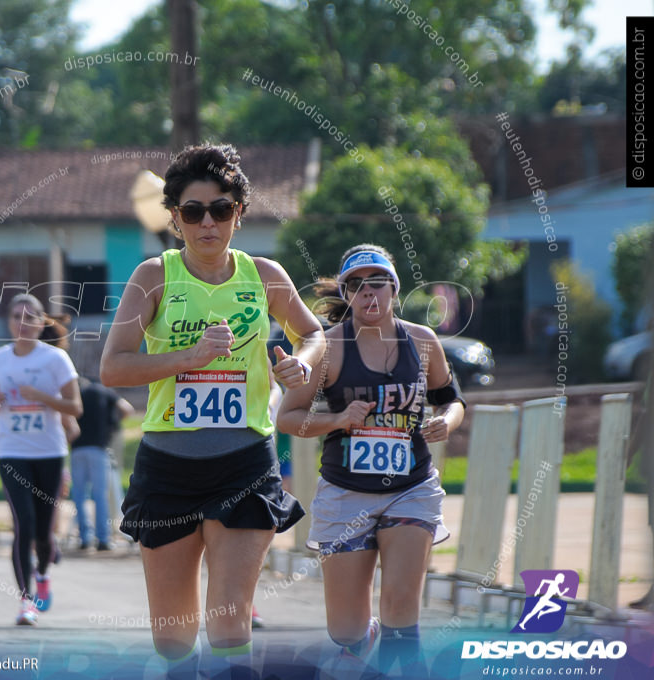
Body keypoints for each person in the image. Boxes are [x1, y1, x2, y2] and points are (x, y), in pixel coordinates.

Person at [100, 143, 325, 680]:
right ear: (174, 218)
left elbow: (313, 332)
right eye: (194, 211)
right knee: (175, 639)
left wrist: (300, 362)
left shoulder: (265, 274)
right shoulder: (153, 277)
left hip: (244, 462)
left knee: (229, 627)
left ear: (239, 215)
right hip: (169, 467)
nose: (208, 222)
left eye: (221, 209)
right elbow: (113, 369)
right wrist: (190, 357)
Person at [277, 244, 466, 677]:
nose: (369, 294)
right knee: (346, 632)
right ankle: (364, 641)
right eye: (357, 286)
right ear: (346, 294)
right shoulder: (328, 347)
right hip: (345, 493)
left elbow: (452, 401)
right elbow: (288, 419)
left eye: (377, 284)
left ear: (393, 289)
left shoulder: (422, 341)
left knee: (402, 607)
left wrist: (446, 423)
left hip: (411, 488)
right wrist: (340, 418)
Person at [0, 293, 83, 626]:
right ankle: (26, 601)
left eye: (30, 317)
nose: (22, 324)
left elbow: (75, 408)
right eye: (16, 317)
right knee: (22, 523)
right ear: (7, 322)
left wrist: (40, 396)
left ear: (41, 323)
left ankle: (42, 575)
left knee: (43, 531)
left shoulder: (55, 360)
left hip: (49, 452)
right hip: (12, 452)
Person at [71, 376, 134, 551]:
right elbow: (127, 409)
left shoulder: (75, 394)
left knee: (79, 495)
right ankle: (103, 539)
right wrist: (112, 422)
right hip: (98, 448)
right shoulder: (104, 392)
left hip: (77, 449)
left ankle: (84, 538)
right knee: (100, 495)